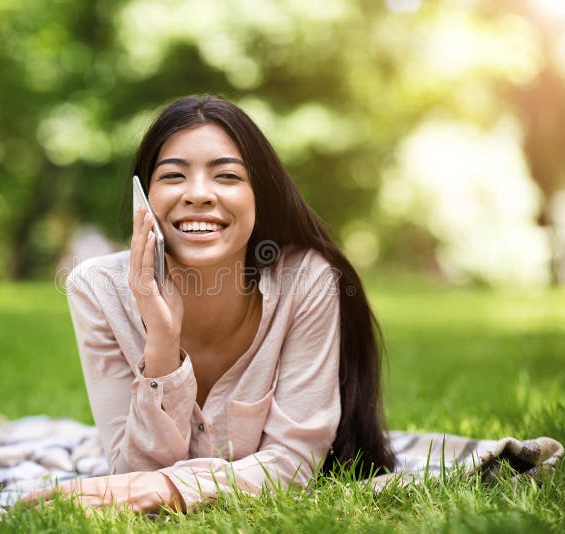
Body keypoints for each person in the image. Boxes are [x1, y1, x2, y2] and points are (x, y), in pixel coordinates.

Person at [23, 95, 395, 512]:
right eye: (173, 176)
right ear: (143, 198)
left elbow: (293, 463)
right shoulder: (98, 289)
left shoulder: (306, 281)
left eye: (227, 176)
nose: (198, 194)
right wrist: (161, 343)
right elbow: (129, 473)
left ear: (260, 196)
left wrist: (170, 490)